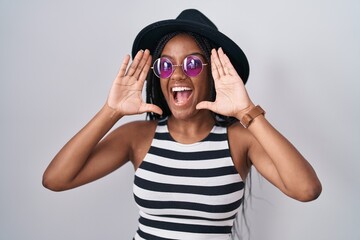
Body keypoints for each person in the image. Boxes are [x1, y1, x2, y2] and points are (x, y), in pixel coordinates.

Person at [42, 9, 322, 240]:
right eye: (166, 66)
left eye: (192, 64)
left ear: (213, 74)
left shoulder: (239, 139)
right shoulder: (138, 136)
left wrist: (247, 111)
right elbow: (56, 180)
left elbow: (306, 190)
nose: (177, 75)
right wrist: (111, 111)